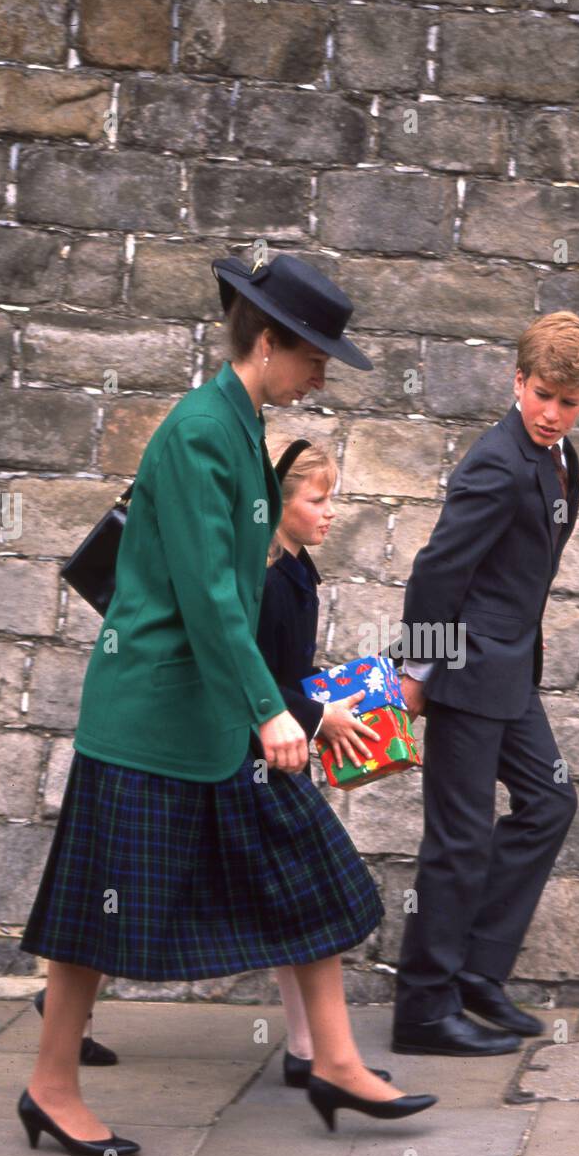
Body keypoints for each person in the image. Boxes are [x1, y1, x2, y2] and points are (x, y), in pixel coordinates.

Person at [17, 253, 436, 1156]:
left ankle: (332, 1061)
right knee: (96, 915)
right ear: (271, 339)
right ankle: (51, 1087)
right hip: (154, 719)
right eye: (316, 352)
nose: (324, 371)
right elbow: (209, 596)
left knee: (315, 877)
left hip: (216, 717)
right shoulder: (204, 430)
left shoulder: (244, 426)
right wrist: (272, 710)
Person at [391, 311, 579, 1057]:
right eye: (543, 395)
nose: (553, 413)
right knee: (457, 840)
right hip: (462, 672)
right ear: (518, 382)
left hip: (510, 671)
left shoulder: (560, 459)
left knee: (550, 803)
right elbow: (436, 570)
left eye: (569, 401)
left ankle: (478, 973)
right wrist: (416, 674)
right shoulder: (495, 461)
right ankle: (422, 1009)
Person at [254, 429, 391, 1087]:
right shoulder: (262, 575)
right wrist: (317, 715)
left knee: (295, 904)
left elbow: (285, 668)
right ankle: (67, 999)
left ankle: (307, 1052)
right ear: (278, 500)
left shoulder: (299, 567)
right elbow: (244, 674)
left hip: (278, 755)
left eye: (332, 498)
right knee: (304, 897)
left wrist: (337, 694)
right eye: (318, 499)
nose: (330, 511)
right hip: (247, 760)